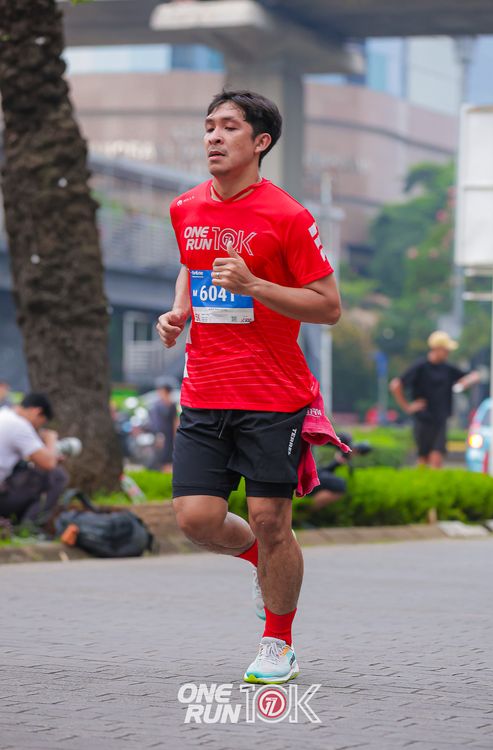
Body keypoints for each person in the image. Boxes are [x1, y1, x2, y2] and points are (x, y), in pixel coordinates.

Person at [157, 90, 341, 685]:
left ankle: (278, 643)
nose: (213, 137)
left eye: (229, 127)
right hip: (204, 390)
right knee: (196, 519)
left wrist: (256, 285)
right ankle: (267, 564)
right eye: (209, 126)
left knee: (269, 517)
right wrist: (180, 310)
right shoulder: (185, 207)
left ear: (260, 142)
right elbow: (191, 263)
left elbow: (329, 306)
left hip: (272, 395)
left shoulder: (287, 215)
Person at [390, 330, 480, 468]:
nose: (448, 353)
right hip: (423, 419)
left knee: (437, 458)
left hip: (440, 419)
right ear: (437, 349)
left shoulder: (447, 369)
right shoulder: (420, 367)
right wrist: (407, 407)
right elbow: (396, 385)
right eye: (446, 350)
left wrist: (468, 381)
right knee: (423, 459)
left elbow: (472, 377)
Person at [0, 393, 68, 530]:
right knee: (58, 475)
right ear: (36, 412)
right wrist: (51, 439)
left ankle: (13, 522)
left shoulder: (4, 415)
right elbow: (49, 464)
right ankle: (27, 527)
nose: (37, 428)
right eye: (40, 423)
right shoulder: (18, 425)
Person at [147, 379, 179, 473]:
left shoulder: (172, 405)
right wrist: (159, 434)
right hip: (161, 434)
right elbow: (155, 422)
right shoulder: (157, 405)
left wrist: (176, 435)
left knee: (169, 456)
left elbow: (175, 421)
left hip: (170, 434)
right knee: (161, 456)